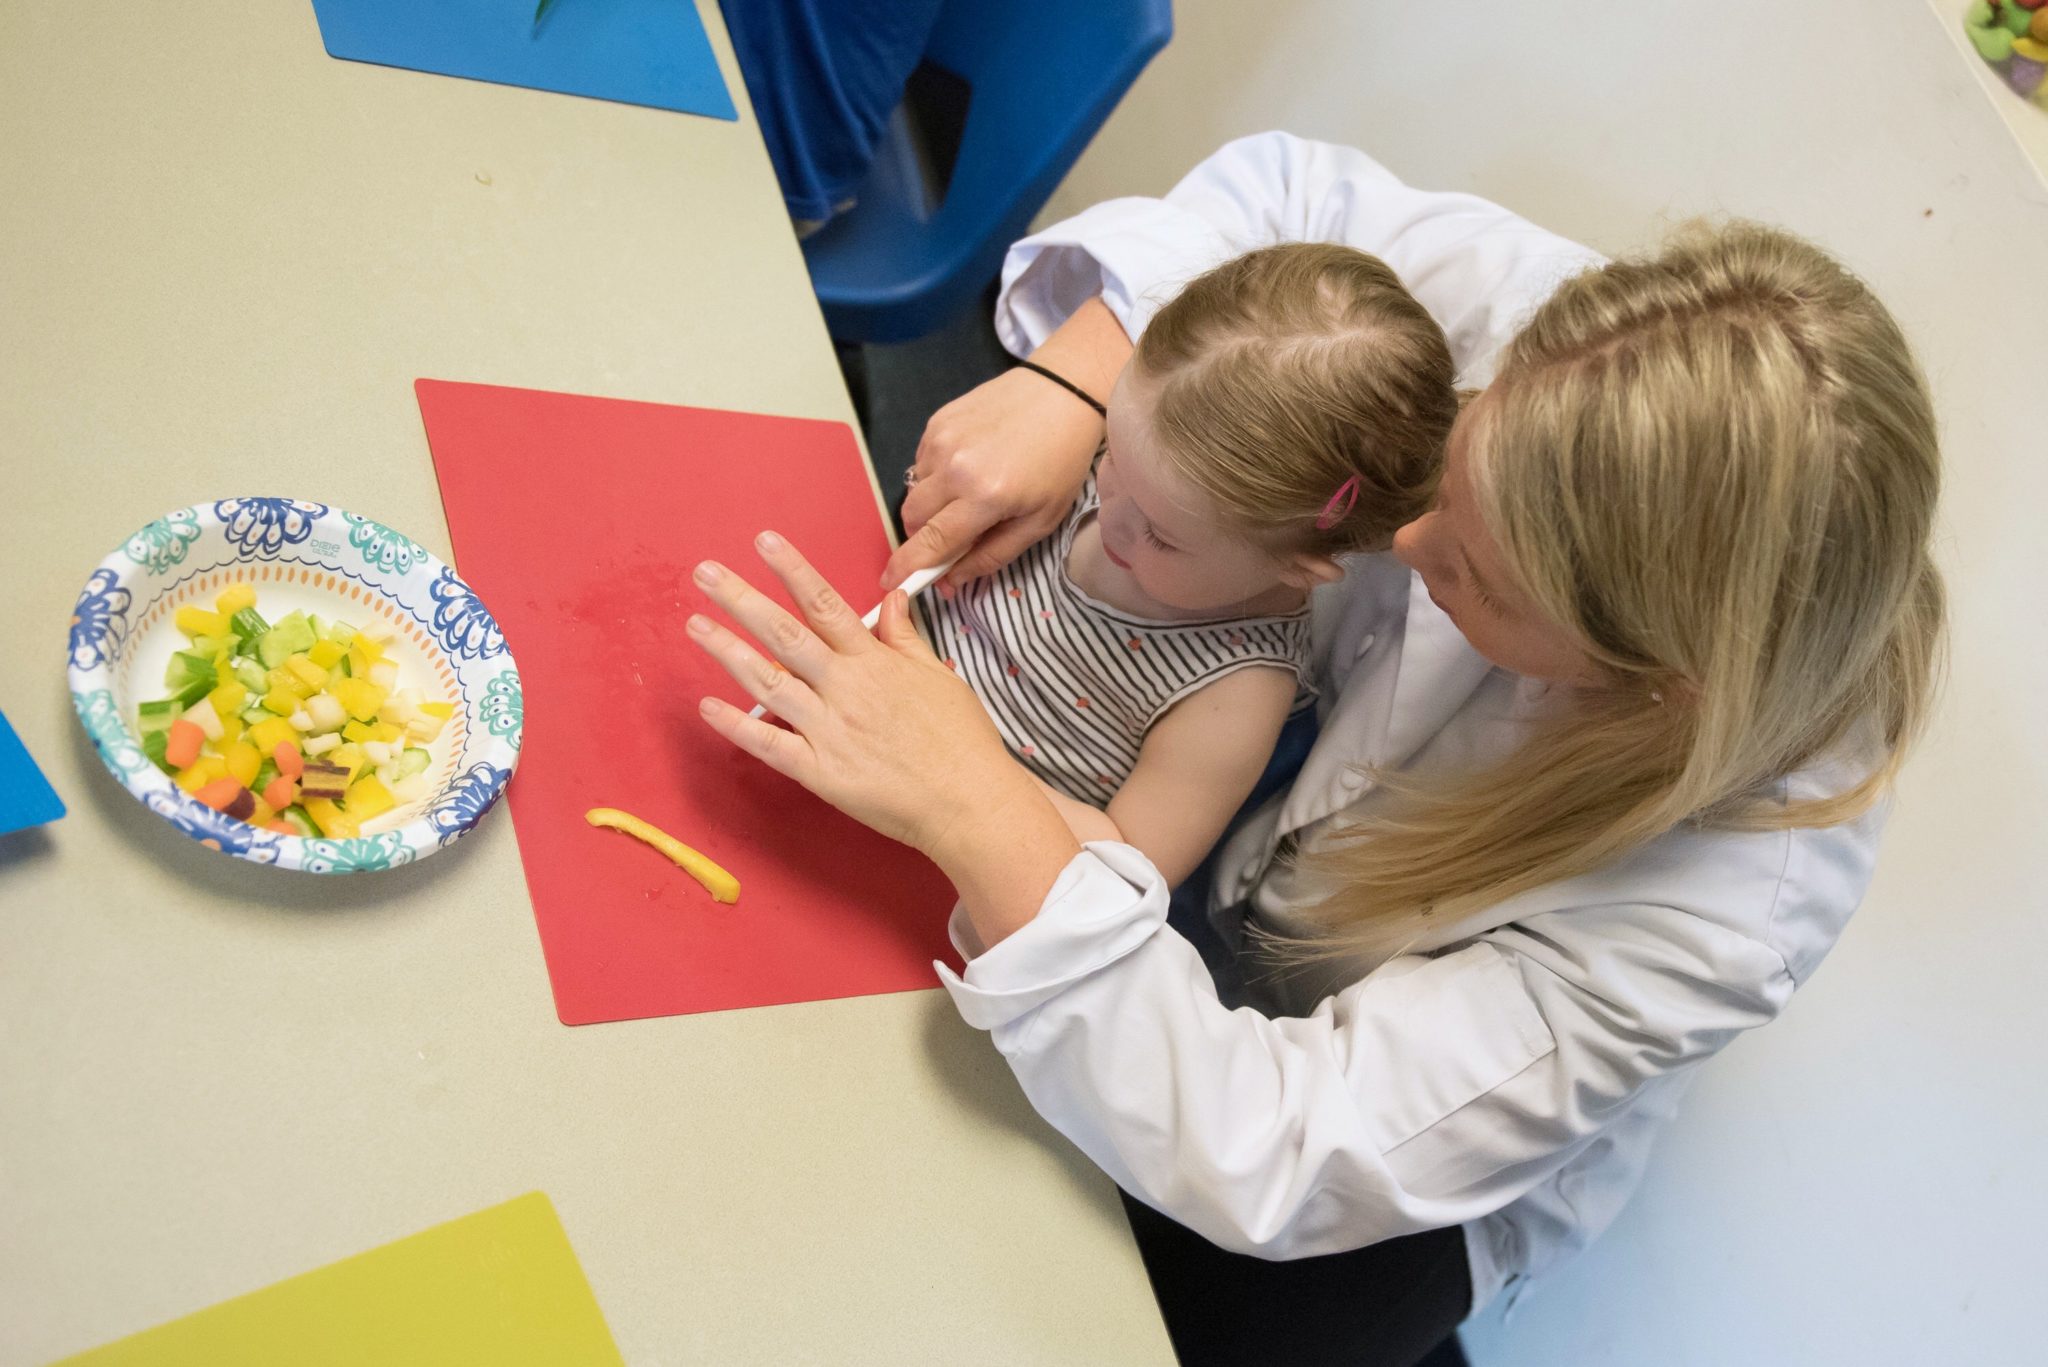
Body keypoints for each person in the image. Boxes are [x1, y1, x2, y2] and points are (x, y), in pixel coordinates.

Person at [679, 133, 1947, 1367]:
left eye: (1475, 571)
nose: (1401, 548)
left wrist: (973, 797)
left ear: (1644, 682)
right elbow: (1284, 195)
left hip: (1384, 1185)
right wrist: (1086, 379)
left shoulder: (1725, 908)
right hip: (1236, 874)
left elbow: (1286, 1145)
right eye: (1448, 475)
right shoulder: (1602, 359)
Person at [917, 242, 1461, 887]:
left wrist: (945, 761)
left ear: (1298, 567)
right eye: (1110, 451)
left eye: (1161, 536)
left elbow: (1129, 871)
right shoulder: (1154, 463)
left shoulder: (1236, 688)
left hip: (954, 856)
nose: (1108, 511)